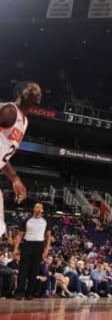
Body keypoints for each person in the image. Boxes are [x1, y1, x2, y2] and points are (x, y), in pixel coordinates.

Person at [1, 81, 42, 237]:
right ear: (20, 92)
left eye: (40, 91)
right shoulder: (10, 110)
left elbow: (2, 154)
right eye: (34, 89)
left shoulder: (24, 122)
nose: (39, 92)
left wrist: (14, 179)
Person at [13, 202, 51, 300]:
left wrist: (46, 250)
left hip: (39, 246)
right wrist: (16, 249)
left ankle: (29, 293)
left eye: (39, 206)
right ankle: (19, 292)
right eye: (35, 206)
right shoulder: (27, 220)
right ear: (33, 209)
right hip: (27, 245)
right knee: (23, 270)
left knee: (34, 271)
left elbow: (48, 237)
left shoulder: (45, 221)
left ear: (42, 209)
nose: (37, 207)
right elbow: (19, 235)